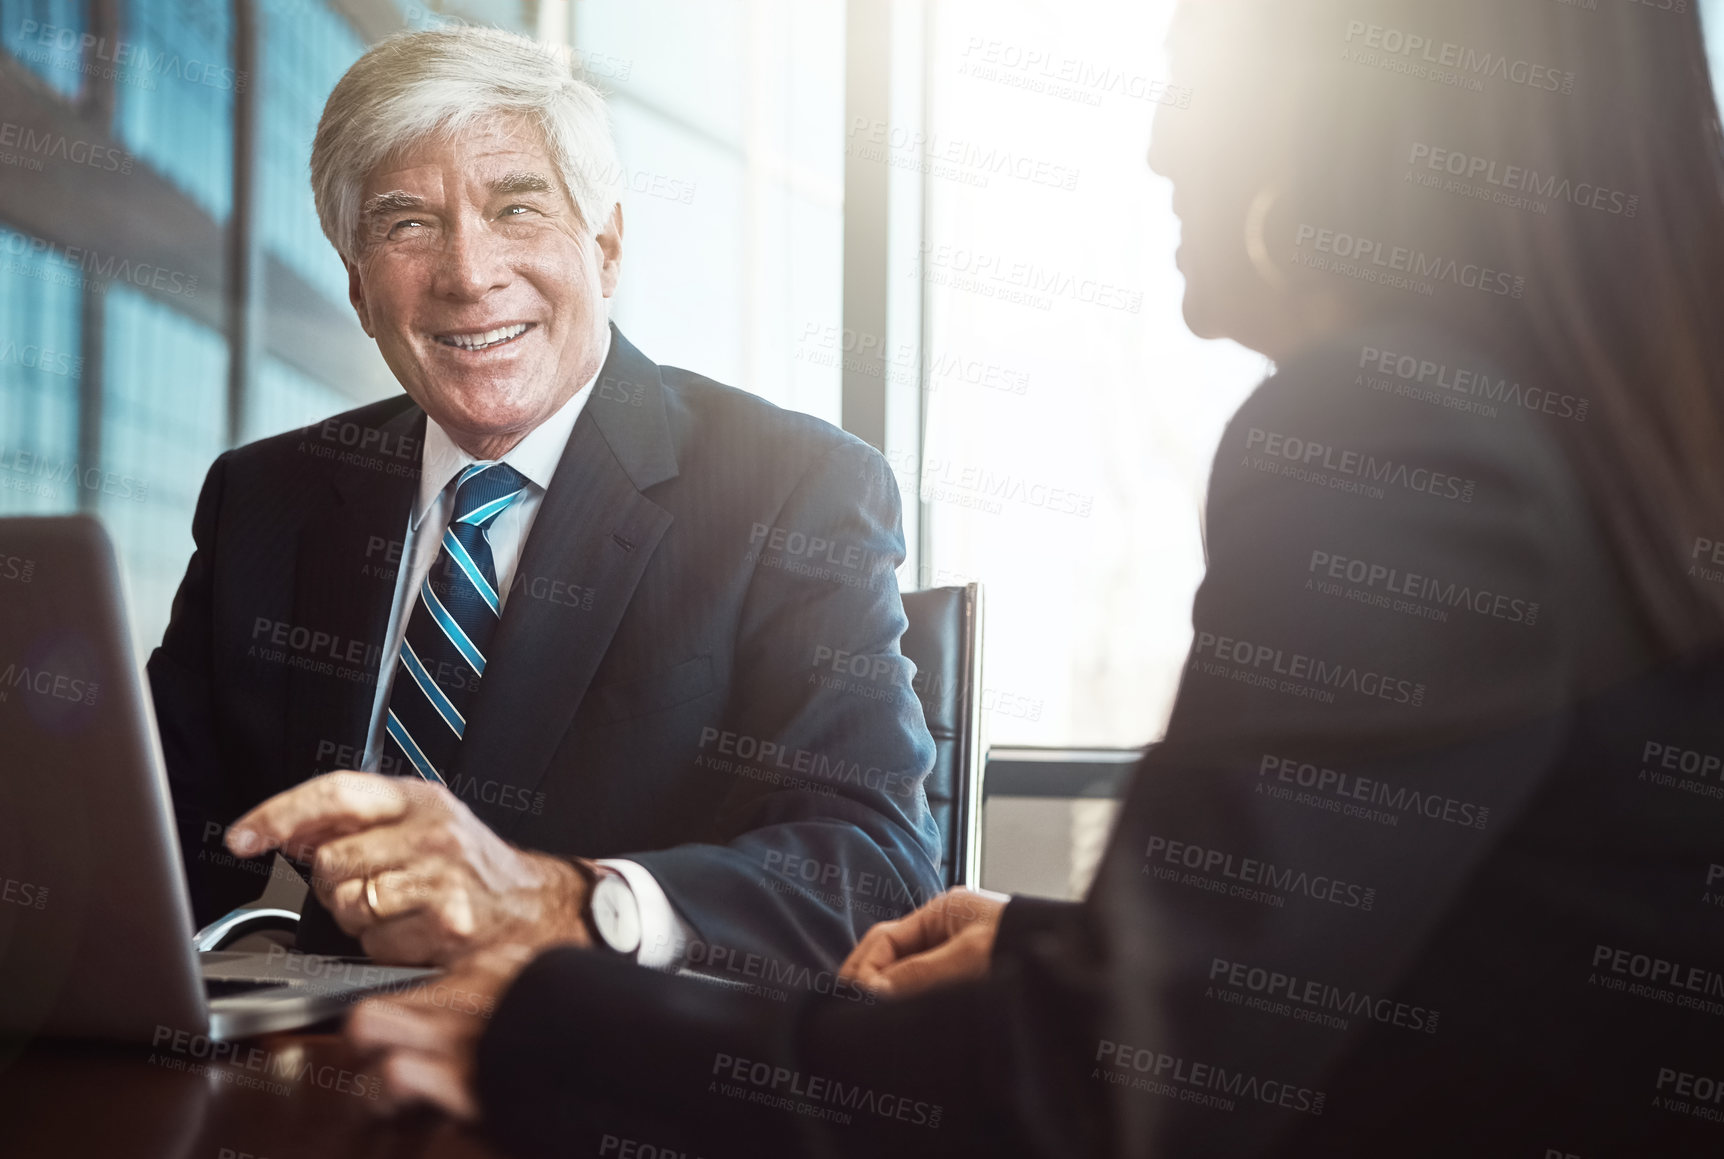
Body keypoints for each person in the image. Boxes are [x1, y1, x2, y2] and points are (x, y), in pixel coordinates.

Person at [344, 1, 1724, 1156]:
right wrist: (1075, 949)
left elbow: (1104, 1093)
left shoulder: (1399, 439)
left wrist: (549, 1022)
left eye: (1198, 80)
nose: (1165, 139)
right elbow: (1500, 956)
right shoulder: (1596, 445)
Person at [151, 25, 944, 976]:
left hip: (613, 1079)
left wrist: (563, 904)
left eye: (516, 209)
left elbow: (878, 873)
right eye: (407, 224)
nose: (468, 274)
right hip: (317, 1077)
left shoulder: (795, 489)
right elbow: (150, 843)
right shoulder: (264, 499)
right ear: (359, 287)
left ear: (604, 246)